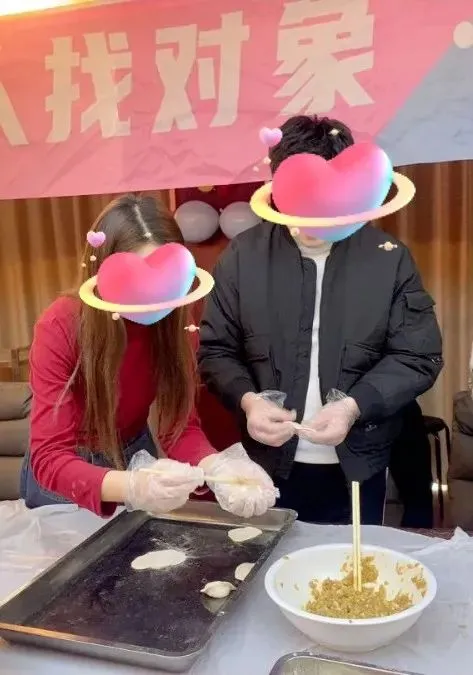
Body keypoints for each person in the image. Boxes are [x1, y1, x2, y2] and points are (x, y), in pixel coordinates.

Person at [198, 115, 443, 525]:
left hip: (359, 464)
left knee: (354, 564)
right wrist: (248, 400)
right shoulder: (243, 257)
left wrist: (353, 406)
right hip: (270, 465)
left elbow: (417, 356)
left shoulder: (387, 257)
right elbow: (216, 351)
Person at [21, 194, 277, 519]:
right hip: (66, 473)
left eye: (164, 281)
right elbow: (49, 457)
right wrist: (130, 486)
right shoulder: (61, 324)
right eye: (134, 282)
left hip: (135, 456)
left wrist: (218, 467)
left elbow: (178, 427)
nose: (151, 299)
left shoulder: (174, 323)